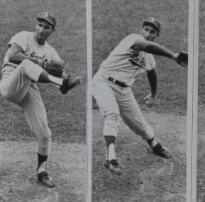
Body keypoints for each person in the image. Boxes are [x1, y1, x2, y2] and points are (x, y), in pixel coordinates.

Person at [92, 17, 186, 175]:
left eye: (153, 32)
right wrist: (173, 55)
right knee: (112, 114)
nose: (148, 34)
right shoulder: (133, 39)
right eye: (146, 30)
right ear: (142, 30)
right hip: (103, 82)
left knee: (140, 124)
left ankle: (154, 144)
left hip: (124, 90)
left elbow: (152, 73)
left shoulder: (149, 58)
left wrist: (154, 94)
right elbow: (146, 45)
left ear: (157, 35)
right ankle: (111, 158)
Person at [0, 12, 82, 188]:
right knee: (26, 65)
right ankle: (57, 84)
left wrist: (68, 80)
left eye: (47, 27)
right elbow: (13, 55)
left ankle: (41, 172)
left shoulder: (50, 52)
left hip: (29, 88)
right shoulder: (23, 36)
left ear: (52, 30)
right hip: (10, 82)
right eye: (40, 25)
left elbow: (60, 74)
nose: (42, 29)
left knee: (45, 133)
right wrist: (45, 68)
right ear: (35, 24)